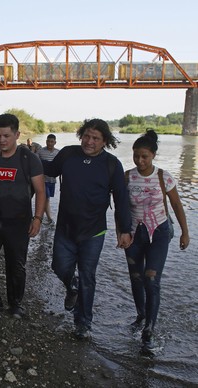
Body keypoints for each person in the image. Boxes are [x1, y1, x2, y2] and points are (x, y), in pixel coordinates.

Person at [42, 118, 132, 340]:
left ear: (105, 141)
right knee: (59, 266)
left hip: (94, 232)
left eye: (95, 138)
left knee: (88, 276)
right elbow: (50, 170)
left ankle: (83, 323)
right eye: (86, 136)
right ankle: (72, 286)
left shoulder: (112, 165)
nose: (89, 141)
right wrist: (27, 155)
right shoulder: (68, 154)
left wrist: (125, 230)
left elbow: (121, 200)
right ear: (81, 134)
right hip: (65, 227)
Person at [123, 129, 190, 352]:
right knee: (135, 277)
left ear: (153, 155)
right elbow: (120, 209)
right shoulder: (127, 177)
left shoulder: (164, 176)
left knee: (151, 279)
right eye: (136, 156)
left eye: (144, 156)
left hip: (159, 233)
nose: (140, 161)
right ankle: (141, 313)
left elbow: (177, 205)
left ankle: (149, 328)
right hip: (134, 234)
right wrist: (120, 231)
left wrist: (185, 232)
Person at [0, 113, 45, 319]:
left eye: (6, 136)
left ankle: (15, 304)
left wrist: (38, 219)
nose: (2, 140)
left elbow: (40, 191)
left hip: (19, 221)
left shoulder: (29, 159)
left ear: (17, 135)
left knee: (16, 265)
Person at [36, 134, 60, 225]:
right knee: (46, 198)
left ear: (55, 142)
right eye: (48, 141)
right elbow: (35, 163)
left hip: (52, 180)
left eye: (52, 141)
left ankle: (40, 216)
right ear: (46, 141)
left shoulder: (58, 152)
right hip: (42, 180)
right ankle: (49, 218)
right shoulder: (40, 151)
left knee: (47, 199)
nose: (50, 143)